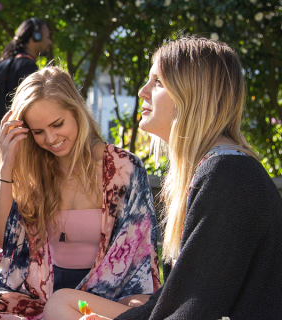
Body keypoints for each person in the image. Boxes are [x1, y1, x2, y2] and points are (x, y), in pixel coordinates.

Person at [45, 37, 282, 320]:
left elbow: (199, 307)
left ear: (192, 94)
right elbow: (193, 289)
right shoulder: (215, 168)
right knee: (63, 302)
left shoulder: (229, 176)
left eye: (157, 82)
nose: (142, 91)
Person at [0, 66, 160, 320]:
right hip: (38, 299)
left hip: (105, 298)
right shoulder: (32, 170)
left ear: (76, 112)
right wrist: (7, 167)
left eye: (58, 124)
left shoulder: (123, 168)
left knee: (135, 307)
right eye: (38, 132)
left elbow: (141, 260)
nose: (51, 138)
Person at [0, 17, 52, 140]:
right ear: (36, 36)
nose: (50, 42)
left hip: (2, 133)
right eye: (47, 37)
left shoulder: (5, 62)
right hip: (18, 137)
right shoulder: (27, 66)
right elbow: (32, 106)